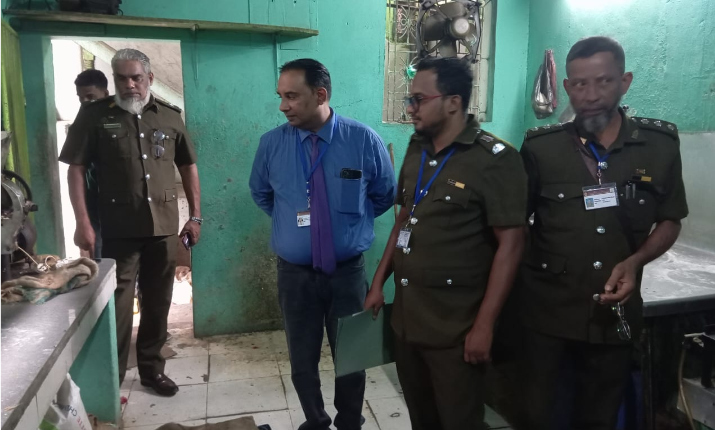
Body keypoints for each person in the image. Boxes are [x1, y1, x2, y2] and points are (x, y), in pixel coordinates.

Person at [518, 36, 688, 429]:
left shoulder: (658, 146)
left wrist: (635, 261)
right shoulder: (542, 148)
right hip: (547, 317)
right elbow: (515, 225)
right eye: (580, 84)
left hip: (613, 317)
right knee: (540, 415)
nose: (591, 95)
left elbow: (670, 219)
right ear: (566, 87)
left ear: (625, 81)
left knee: (600, 416)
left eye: (604, 81)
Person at [364, 57, 528, 430]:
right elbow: (404, 220)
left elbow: (512, 244)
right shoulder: (417, 148)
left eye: (419, 99)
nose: (410, 108)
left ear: (453, 102)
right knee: (422, 418)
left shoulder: (495, 160)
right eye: (410, 99)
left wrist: (484, 326)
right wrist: (378, 283)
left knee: (459, 421)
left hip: (456, 327)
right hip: (408, 321)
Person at [249, 58, 396, 430]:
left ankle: (349, 422)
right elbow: (262, 194)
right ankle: (315, 421)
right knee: (302, 359)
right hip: (294, 276)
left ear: (320, 95)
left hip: (347, 274)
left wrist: (344, 229)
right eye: (281, 96)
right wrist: (296, 230)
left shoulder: (363, 140)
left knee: (352, 357)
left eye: (292, 96)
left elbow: (383, 195)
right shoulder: (271, 145)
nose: (283, 106)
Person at [60, 49, 203, 397]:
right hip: (118, 228)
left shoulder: (169, 117)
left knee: (158, 302)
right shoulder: (95, 116)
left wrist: (195, 216)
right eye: (122, 78)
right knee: (118, 305)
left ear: (149, 78)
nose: (130, 85)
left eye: (136, 77)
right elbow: (76, 169)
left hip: (163, 228)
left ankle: (152, 370)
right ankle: (113, 377)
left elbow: (188, 166)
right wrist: (82, 222)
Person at [74, 69, 110, 258]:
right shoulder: (82, 122)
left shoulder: (120, 120)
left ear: (105, 94)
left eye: (90, 97)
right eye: (81, 98)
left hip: (121, 205)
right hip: (93, 201)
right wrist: (81, 221)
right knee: (100, 260)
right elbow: (75, 169)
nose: (85, 102)